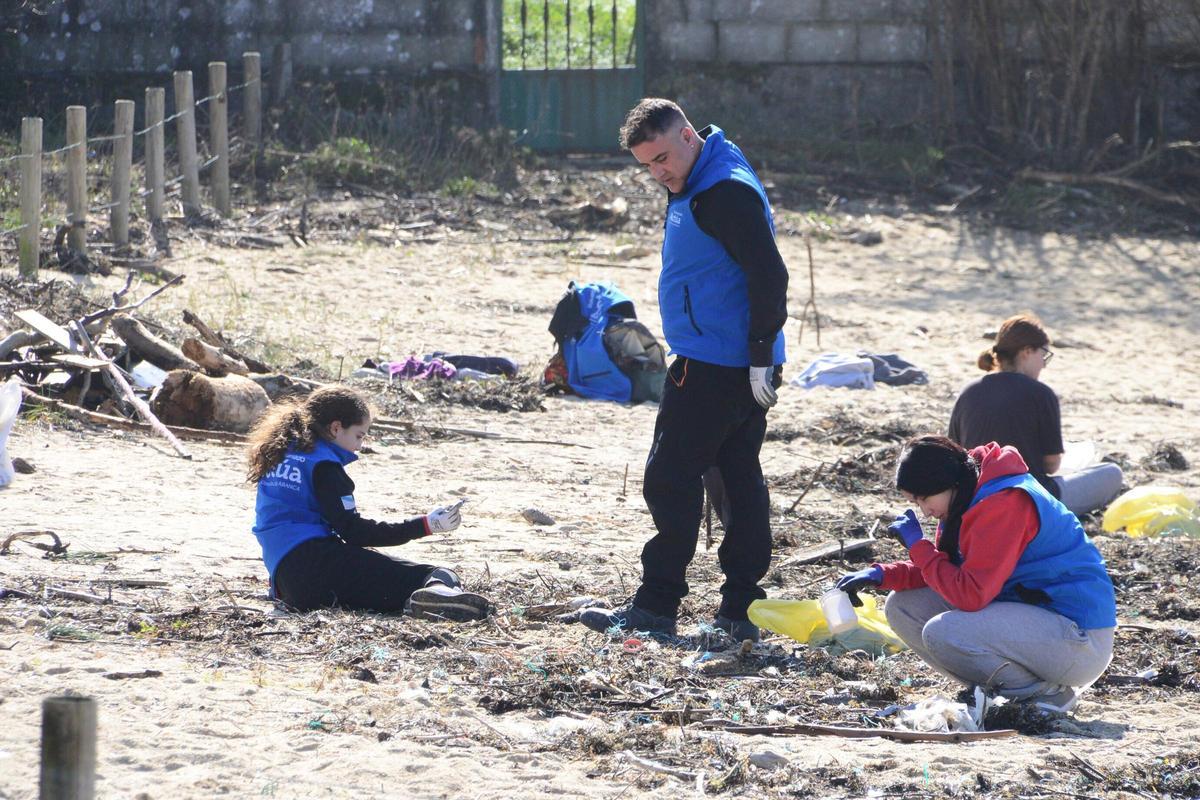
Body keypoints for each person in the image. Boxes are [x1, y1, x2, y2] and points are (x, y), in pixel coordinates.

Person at [579, 98, 788, 642]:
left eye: (664, 157)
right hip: (729, 359)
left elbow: (770, 274)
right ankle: (742, 610)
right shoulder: (705, 170)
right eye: (647, 164)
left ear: (689, 135)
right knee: (736, 479)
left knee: (670, 478)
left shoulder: (723, 191)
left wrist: (762, 352)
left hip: (719, 364)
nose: (658, 172)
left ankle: (656, 606)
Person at [836, 435, 1116, 712]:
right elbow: (950, 570)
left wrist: (919, 547)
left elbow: (970, 595)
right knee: (902, 606)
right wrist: (881, 575)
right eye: (915, 501)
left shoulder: (1004, 503)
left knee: (944, 631)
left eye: (924, 498)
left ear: (947, 483)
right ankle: (997, 689)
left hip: (1080, 640)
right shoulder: (967, 494)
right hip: (1037, 621)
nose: (924, 510)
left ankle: (1043, 694)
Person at [247, 386, 489, 621]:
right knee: (436, 575)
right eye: (358, 436)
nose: (359, 446)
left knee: (368, 571)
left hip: (285, 581)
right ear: (335, 428)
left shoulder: (279, 453)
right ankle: (439, 597)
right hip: (319, 568)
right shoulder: (325, 465)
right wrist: (426, 525)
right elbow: (354, 532)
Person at [948, 313, 1123, 516]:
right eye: (1043, 355)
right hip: (1030, 500)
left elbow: (955, 451)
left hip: (975, 499)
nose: (1043, 363)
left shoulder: (969, 391)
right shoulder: (1041, 393)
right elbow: (1051, 464)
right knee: (1111, 473)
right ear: (1026, 352)